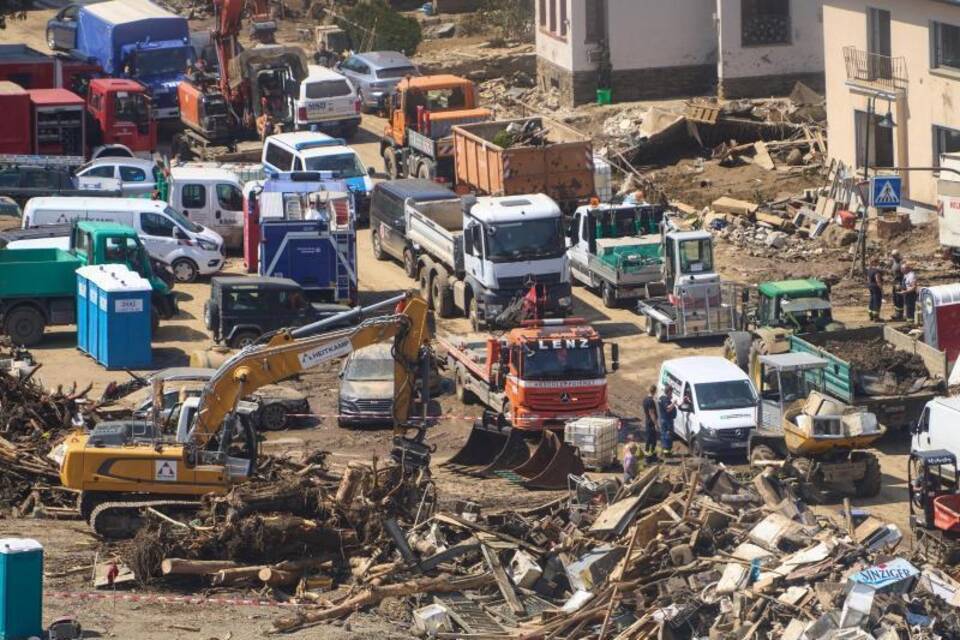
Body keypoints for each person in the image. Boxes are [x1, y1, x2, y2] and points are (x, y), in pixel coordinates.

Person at [657, 389, 677, 457]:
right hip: (667, 420)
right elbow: (668, 409)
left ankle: (664, 451)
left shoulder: (661, 398)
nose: (672, 394)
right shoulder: (665, 400)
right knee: (668, 436)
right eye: (671, 393)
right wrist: (673, 403)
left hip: (663, 420)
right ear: (668, 392)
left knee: (664, 435)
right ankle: (667, 453)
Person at [642, 385, 659, 462]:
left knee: (649, 440)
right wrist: (656, 424)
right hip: (651, 423)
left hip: (647, 421)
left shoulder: (645, 399)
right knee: (652, 440)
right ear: (654, 391)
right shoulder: (650, 401)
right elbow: (651, 413)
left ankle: (649, 456)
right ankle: (649, 458)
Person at [866, 258, 884, 322]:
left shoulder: (869, 270)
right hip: (876, 287)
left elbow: (868, 279)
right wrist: (881, 288)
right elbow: (878, 280)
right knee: (877, 301)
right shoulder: (876, 271)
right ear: (875, 262)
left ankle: (871, 315)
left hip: (870, 286)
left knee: (872, 300)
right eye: (877, 262)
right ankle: (876, 317)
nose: (878, 263)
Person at [890, 249, 904, 321]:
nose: (893, 257)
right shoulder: (894, 262)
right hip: (895, 283)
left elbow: (904, 274)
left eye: (895, 256)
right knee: (895, 299)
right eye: (893, 256)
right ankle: (896, 313)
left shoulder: (901, 263)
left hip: (899, 283)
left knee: (899, 299)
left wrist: (901, 284)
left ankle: (900, 315)